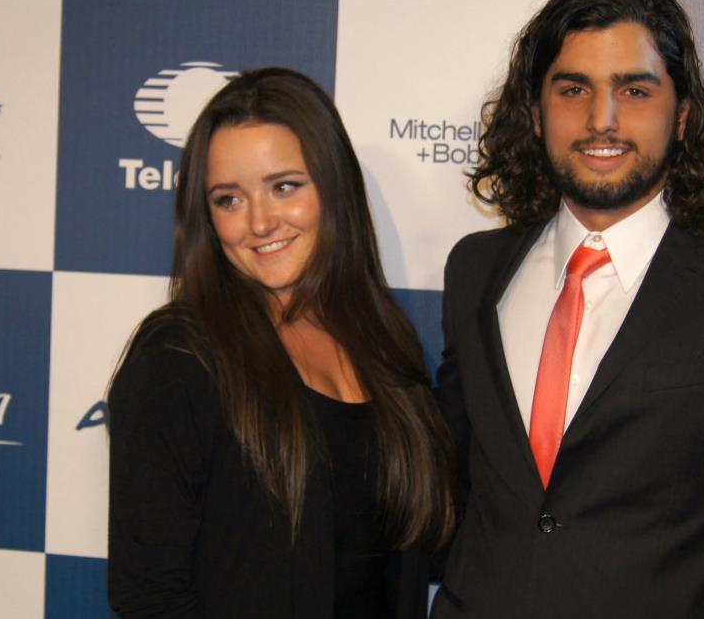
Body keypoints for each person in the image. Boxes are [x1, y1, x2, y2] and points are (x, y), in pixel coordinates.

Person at [432, 0, 704, 618]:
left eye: (634, 89)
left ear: (682, 115)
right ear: (536, 113)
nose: (603, 119)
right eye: (574, 89)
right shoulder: (474, 272)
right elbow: (451, 493)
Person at [107, 67, 455, 618]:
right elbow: (150, 595)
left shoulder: (384, 340)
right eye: (228, 199)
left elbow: (419, 548)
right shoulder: (179, 359)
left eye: (284, 187)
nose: (260, 222)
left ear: (333, 190)